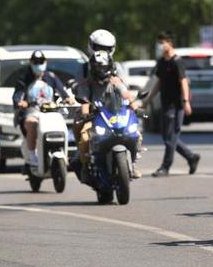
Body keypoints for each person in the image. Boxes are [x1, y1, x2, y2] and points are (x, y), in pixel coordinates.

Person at [74, 50, 141, 181]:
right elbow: (85, 102)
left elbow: (126, 95)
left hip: (116, 116)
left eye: (104, 67)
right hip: (95, 119)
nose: (101, 70)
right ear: (92, 67)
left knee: (137, 134)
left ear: (110, 66)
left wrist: (137, 109)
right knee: (84, 137)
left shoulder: (116, 81)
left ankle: (133, 164)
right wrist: (85, 114)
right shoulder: (86, 83)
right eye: (98, 67)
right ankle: (85, 167)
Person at [143, 32, 200, 177]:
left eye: (162, 42)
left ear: (169, 43)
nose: (160, 45)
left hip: (177, 104)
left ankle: (165, 167)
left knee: (171, 136)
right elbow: (159, 82)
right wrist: (148, 100)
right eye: (159, 42)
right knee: (167, 136)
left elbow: (184, 82)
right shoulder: (162, 61)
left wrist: (186, 102)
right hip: (165, 103)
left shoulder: (177, 61)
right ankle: (191, 156)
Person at [13, 50, 73, 167]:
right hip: (32, 112)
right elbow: (17, 96)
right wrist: (20, 102)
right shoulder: (24, 79)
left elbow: (62, 91)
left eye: (41, 62)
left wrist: (68, 99)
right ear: (30, 63)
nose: (38, 65)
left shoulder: (51, 77)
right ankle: (32, 155)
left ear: (45, 62)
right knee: (32, 123)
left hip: (51, 113)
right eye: (36, 62)